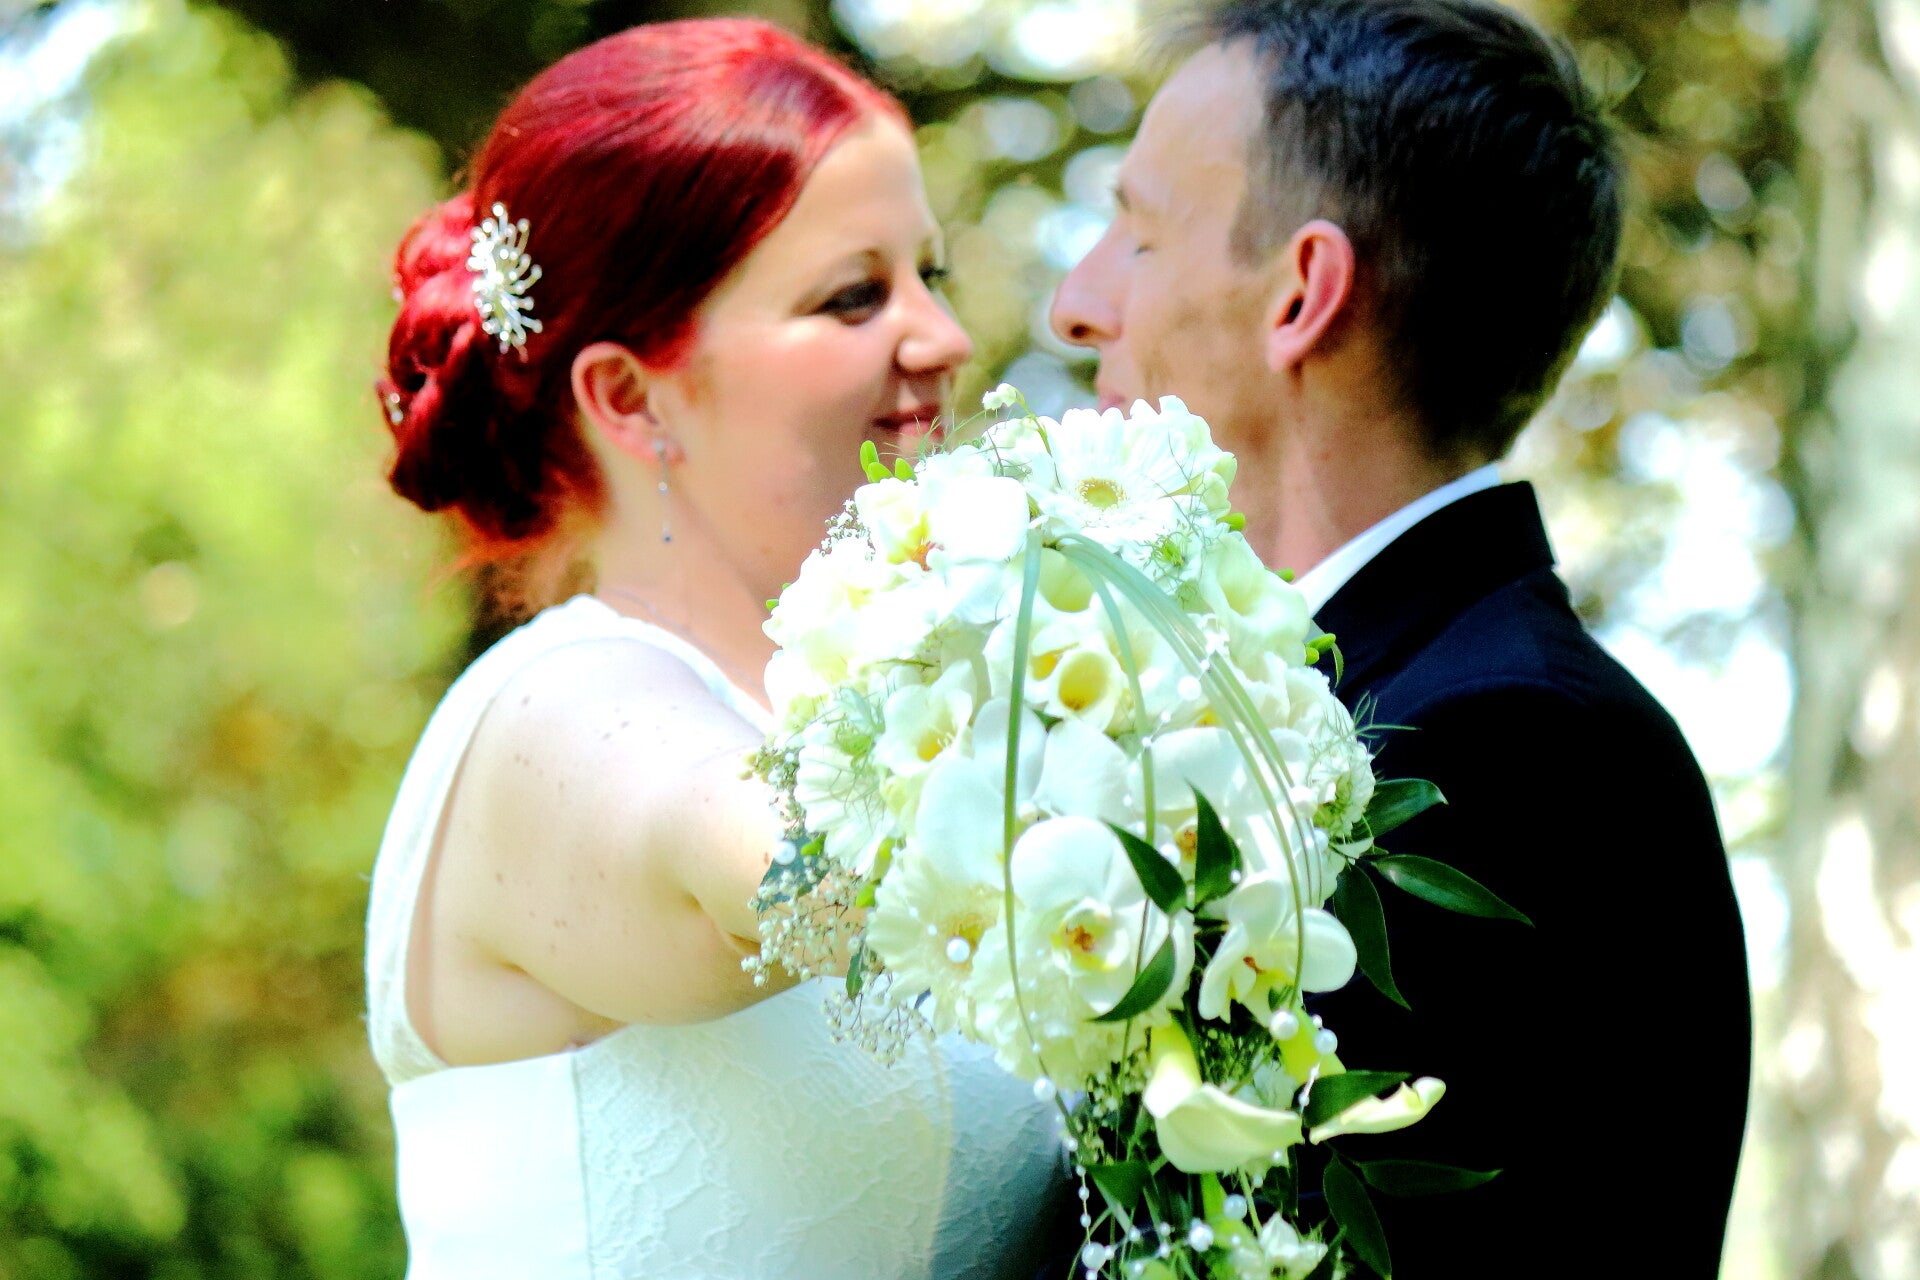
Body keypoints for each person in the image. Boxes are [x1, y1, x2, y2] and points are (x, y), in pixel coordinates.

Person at [1049, 1, 1751, 1275]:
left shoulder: (1507, 747)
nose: (1074, 304)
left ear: (1302, 294)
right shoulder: (1351, 694)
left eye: (1138, 234)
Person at [364, 19, 1064, 1279]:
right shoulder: (557, 711)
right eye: (854, 295)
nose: (943, 337)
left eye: (930, 274)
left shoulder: (878, 706)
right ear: (630, 397)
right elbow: (782, 863)